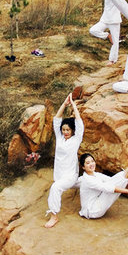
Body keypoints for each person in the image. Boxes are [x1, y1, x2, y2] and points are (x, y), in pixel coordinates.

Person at [45, 93, 84, 228]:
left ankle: (54, 216)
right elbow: (56, 119)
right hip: (60, 175)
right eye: (63, 129)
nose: (65, 131)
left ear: (72, 131)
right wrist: (64, 104)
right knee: (89, 181)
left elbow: (80, 124)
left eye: (68, 129)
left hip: (70, 176)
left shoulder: (76, 139)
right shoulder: (60, 138)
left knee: (55, 188)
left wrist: (73, 105)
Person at [77, 154, 128, 219]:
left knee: (112, 182)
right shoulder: (88, 180)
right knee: (109, 189)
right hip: (92, 210)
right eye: (88, 163)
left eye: (92, 161)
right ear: (83, 167)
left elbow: (110, 179)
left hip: (96, 203)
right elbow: (108, 188)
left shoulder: (95, 174)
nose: (91, 164)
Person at [89, 0, 124, 64]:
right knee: (93, 30)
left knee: (115, 42)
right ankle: (107, 36)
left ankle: (112, 60)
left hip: (114, 20)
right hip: (105, 19)